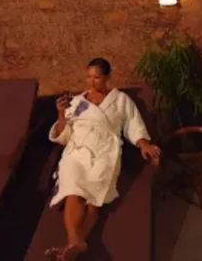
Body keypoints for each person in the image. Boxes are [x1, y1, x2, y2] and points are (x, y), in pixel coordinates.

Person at [46, 58, 162, 260]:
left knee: (94, 198)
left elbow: (133, 125)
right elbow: (64, 137)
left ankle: (72, 245)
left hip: (105, 151)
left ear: (107, 77)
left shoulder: (121, 100)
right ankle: (75, 242)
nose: (91, 82)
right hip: (77, 151)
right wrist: (61, 114)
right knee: (72, 189)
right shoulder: (77, 102)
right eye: (89, 77)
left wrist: (144, 144)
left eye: (97, 77)